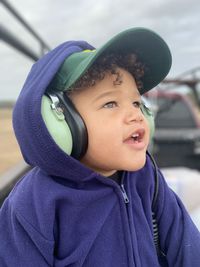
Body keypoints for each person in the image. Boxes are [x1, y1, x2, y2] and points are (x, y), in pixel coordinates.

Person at [0, 27, 200, 267]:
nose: (135, 115)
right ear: (62, 123)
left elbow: (188, 250)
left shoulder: (149, 179)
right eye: (110, 103)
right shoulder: (32, 204)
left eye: (137, 102)